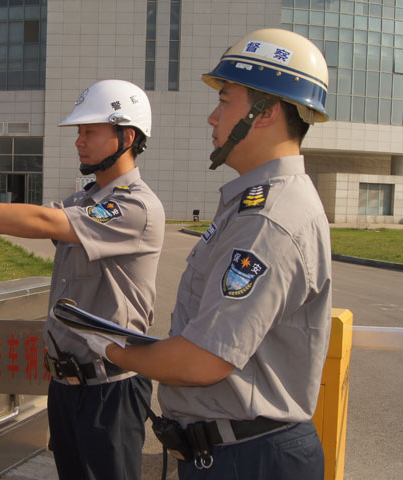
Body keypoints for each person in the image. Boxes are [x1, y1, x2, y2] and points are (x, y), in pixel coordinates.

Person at [81, 29, 333, 479]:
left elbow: (202, 361)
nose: (212, 117)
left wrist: (113, 352)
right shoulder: (254, 202)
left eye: (225, 100)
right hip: (236, 451)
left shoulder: (268, 218)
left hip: (250, 458)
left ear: (265, 112)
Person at [0, 79, 165, 479]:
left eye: (89, 132)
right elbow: (25, 221)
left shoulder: (136, 206)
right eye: (79, 132)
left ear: (126, 136)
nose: (79, 141)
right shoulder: (85, 201)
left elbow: (43, 221)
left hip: (109, 389)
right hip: (66, 386)